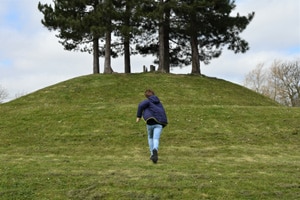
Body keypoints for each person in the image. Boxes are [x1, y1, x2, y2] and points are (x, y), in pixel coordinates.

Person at [136, 89, 168, 163]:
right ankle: (155, 150)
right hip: (159, 123)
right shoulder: (159, 103)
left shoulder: (148, 101)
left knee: (150, 137)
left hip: (150, 123)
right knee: (156, 138)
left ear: (146, 96)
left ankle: (152, 154)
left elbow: (140, 105)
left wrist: (138, 116)